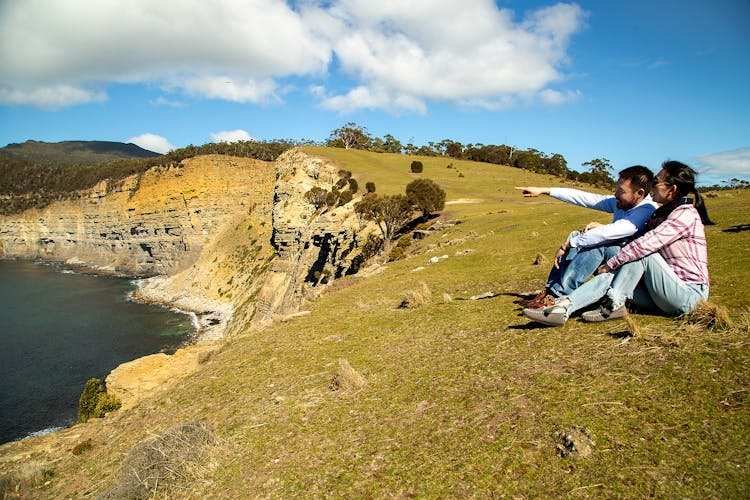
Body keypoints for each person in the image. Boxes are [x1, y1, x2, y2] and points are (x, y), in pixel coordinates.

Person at [523, 161, 712, 326]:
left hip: (688, 296)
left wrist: (609, 264)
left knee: (641, 254)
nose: (652, 185)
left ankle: (611, 304)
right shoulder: (664, 213)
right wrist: (545, 190)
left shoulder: (684, 215)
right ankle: (562, 308)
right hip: (661, 292)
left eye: (656, 181)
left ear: (672, 190)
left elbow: (644, 245)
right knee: (615, 279)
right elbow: (588, 199)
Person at [515, 165, 657, 308]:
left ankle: (560, 295)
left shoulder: (646, 210)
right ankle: (551, 290)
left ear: (639, 193)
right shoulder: (623, 203)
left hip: (632, 269)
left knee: (596, 243)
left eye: (621, 191)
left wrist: (568, 245)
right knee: (577, 235)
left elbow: (608, 233)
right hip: (617, 257)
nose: (615, 195)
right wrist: (544, 191)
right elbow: (586, 198)